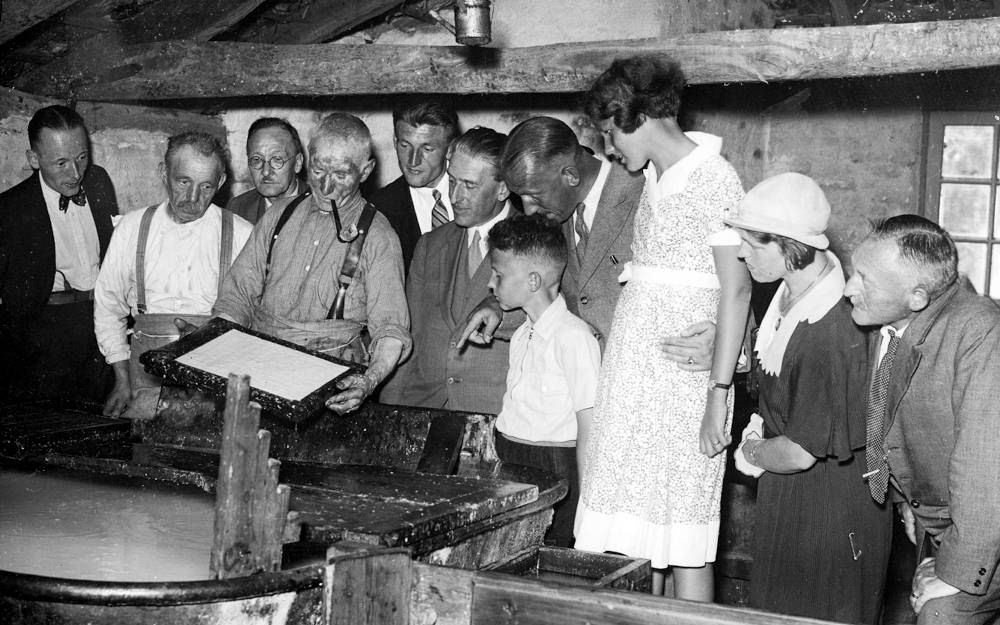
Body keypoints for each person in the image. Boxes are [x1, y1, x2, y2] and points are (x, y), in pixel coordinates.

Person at [573, 56, 751, 601]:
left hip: (679, 382)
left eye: (608, 134)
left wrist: (720, 393)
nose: (607, 149)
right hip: (635, 377)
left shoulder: (715, 178)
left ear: (637, 117)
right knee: (636, 533)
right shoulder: (654, 174)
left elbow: (738, 288)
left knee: (684, 532)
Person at [728, 173, 891, 623]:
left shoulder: (830, 329)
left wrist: (750, 449)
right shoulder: (788, 295)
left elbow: (799, 453)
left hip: (830, 508)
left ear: (789, 246)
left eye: (752, 243)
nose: (742, 253)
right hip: (790, 495)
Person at [459, 116, 715, 368]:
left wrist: (723, 342)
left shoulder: (649, 191)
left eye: (534, 196)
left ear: (570, 176)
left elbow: (721, 276)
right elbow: (554, 297)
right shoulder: (557, 216)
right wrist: (499, 310)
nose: (528, 210)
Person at [845, 214, 1000, 624]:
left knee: (938, 614)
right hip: (943, 524)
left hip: (987, 530)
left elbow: (985, 468)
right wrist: (909, 505)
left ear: (916, 296)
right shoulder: (892, 322)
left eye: (864, 280)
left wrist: (957, 576)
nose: (849, 289)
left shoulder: (980, 332)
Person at [213, 113, 410, 415]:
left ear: (366, 170)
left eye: (341, 174)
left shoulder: (378, 235)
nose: (326, 186)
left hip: (331, 382)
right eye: (318, 169)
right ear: (307, 159)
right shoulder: (280, 214)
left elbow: (390, 330)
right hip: (261, 369)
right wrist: (215, 346)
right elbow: (237, 295)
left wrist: (368, 381)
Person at [94, 131, 253, 419]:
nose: (193, 198)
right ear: (163, 173)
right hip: (144, 379)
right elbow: (108, 306)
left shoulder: (243, 234)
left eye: (206, 187)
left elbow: (255, 315)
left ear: (220, 182)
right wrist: (121, 376)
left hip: (215, 375)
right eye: (183, 182)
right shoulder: (131, 228)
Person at [380, 127, 524, 414]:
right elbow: (413, 336)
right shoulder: (430, 245)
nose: (455, 196)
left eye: (469, 185)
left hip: (498, 413)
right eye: (453, 181)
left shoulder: (534, 243)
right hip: (425, 408)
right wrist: (390, 410)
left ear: (503, 188)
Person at [488, 213, 601, 547]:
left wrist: (588, 503)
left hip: (556, 466)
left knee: (550, 557)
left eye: (498, 275)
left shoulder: (574, 337)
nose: (491, 285)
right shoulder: (523, 333)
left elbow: (590, 426)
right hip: (512, 457)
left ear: (533, 281)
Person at [0, 105, 118, 403]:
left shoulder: (99, 181)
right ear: (33, 159)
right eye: (61, 163)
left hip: (100, 328)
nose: (75, 173)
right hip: (43, 340)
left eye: (81, 158)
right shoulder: (11, 209)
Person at [370, 100, 459, 274]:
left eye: (427, 148)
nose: (413, 161)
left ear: (451, 148)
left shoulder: (477, 190)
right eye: (405, 145)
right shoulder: (379, 208)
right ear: (395, 141)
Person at [226, 118, 306, 225]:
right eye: (256, 159)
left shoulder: (321, 206)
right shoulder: (238, 209)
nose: (266, 172)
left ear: (297, 163)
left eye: (277, 159)